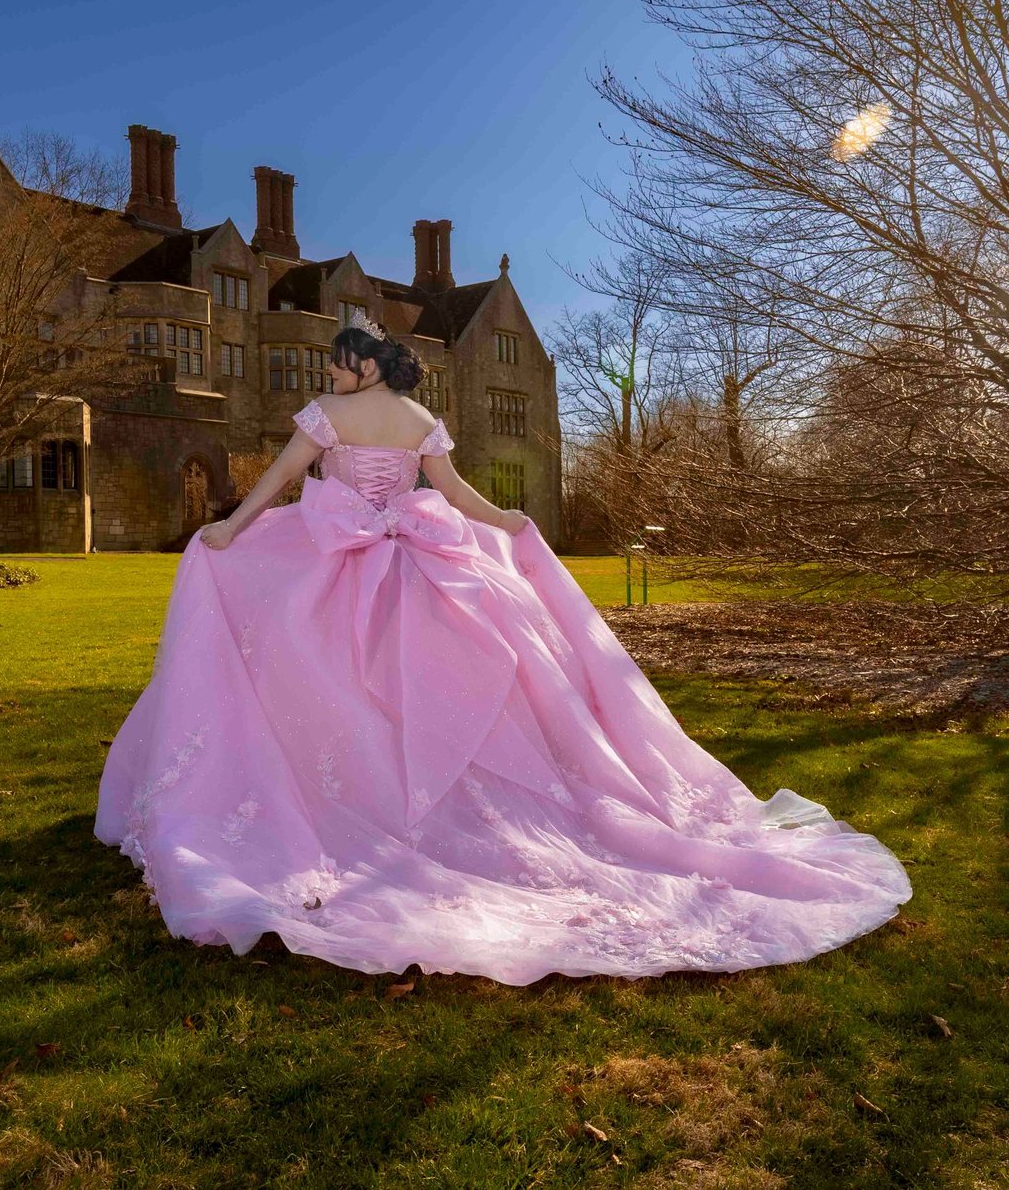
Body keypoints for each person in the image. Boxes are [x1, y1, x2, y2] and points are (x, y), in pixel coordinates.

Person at [93, 317, 911, 985]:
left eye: (341, 367)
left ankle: (364, 801)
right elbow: (455, 497)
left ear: (363, 369)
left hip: (342, 564)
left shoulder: (324, 417)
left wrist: (233, 528)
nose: (334, 377)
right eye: (334, 370)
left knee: (328, 674)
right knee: (446, 680)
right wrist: (511, 525)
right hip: (416, 564)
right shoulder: (420, 423)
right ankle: (411, 796)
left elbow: (277, 479)